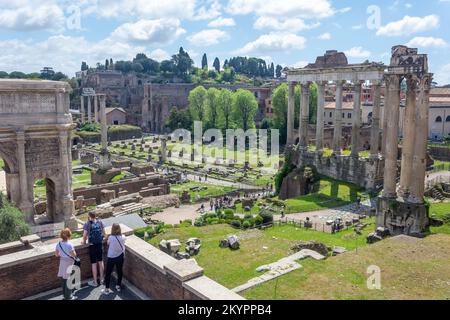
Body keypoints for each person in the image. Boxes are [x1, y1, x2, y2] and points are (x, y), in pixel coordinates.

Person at [83, 211, 105, 287]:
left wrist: (83, 241)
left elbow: (85, 235)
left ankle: (95, 282)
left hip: (92, 245)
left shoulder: (87, 224)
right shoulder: (100, 222)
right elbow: (103, 233)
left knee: (93, 263)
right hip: (99, 244)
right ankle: (102, 279)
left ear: (89, 216)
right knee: (100, 261)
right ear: (95, 215)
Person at [102, 224, 126, 295]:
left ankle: (106, 289)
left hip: (111, 257)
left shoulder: (111, 238)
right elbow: (124, 240)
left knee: (108, 272)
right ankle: (118, 286)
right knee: (119, 271)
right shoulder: (123, 237)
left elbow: (108, 243)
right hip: (120, 256)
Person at [55, 228, 77, 300]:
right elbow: (73, 255)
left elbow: (56, 255)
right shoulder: (69, 244)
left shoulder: (58, 244)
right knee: (68, 279)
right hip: (69, 262)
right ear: (69, 235)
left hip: (62, 262)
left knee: (63, 278)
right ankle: (69, 296)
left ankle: (65, 294)